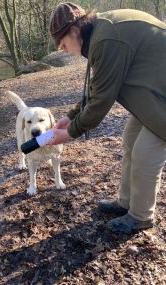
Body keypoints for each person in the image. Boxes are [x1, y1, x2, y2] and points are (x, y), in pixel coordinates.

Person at [48, 2, 166, 234]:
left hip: (161, 96)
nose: (65, 51)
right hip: (155, 92)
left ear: (74, 31)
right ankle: (126, 202)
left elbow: (101, 101)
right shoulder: (100, 33)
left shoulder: (106, 40)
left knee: (145, 154)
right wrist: (70, 117)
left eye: (63, 45)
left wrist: (71, 132)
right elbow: (98, 86)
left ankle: (141, 216)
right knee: (130, 140)